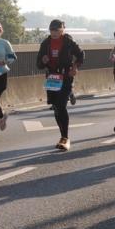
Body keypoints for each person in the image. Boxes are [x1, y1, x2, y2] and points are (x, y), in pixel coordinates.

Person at [36, 19, 84, 151]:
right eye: (52, 30)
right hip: (52, 78)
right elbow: (38, 64)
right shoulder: (46, 43)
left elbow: (81, 55)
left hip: (66, 77)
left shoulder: (68, 42)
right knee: (56, 107)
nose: (54, 32)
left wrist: (75, 67)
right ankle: (62, 135)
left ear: (62, 30)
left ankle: (65, 138)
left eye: (57, 30)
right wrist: (43, 60)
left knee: (61, 106)